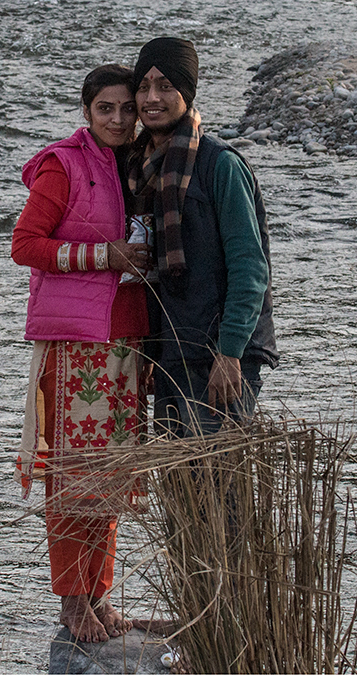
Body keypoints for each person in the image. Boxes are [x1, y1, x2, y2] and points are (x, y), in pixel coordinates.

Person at [11, 64, 153, 643]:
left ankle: (101, 600)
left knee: (111, 478)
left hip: (127, 338)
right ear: (86, 111)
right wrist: (106, 257)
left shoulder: (143, 163)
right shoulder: (61, 164)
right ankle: (73, 605)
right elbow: (26, 245)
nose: (118, 120)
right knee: (73, 481)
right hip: (75, 343)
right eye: (105, 109)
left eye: (127, 109)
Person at [127, 37, 279, 436]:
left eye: (165, 86)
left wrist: (229, 353)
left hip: (220, 354)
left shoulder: (220, 165)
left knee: (218, 485)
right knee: (180, 488)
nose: (152, 97)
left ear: (187, 92)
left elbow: (249, 265)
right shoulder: (141, 169)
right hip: (171, 351)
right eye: (143, 86)